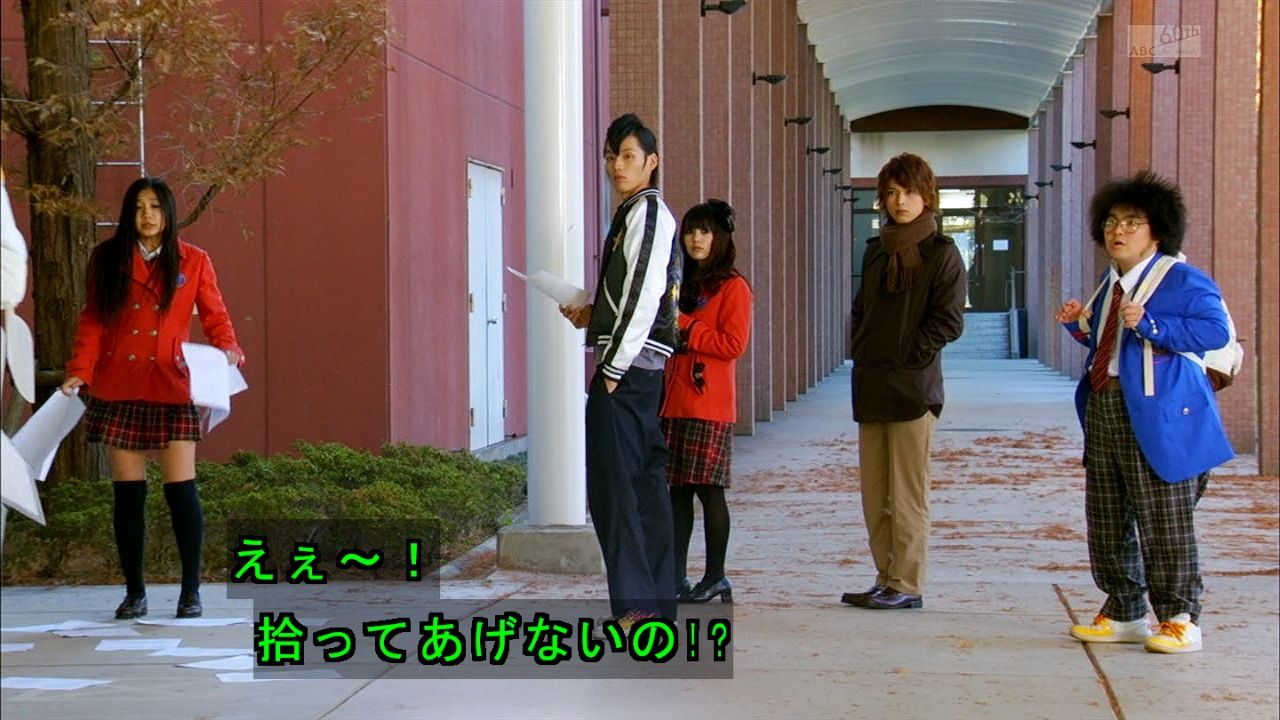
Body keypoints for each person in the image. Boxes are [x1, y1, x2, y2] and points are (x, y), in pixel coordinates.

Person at [1055, 171, 1233, 654]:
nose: (1119, 230)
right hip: (1104, 404)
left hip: (1159, 413)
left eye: (1132, 222)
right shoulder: (1110, 282)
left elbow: (1215, 331)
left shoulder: (1181, 279)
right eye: (1112, 221)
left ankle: (1180, 618)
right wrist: (1078, 328)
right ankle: (1124, 610)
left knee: (1164, 519)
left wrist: (1154, 324)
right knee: (1107, 515)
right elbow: (1112, 347)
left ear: (1157, 231)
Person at [61, 177, 244, 620]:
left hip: (170, 382)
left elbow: (215, 313)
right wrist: (80, 370)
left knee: (182, 489)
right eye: (140, 207)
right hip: (119, 383)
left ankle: (190, 591)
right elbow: (93, 319)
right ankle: (135, 592)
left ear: (168, 213)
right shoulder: (107, 258)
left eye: (156, 207)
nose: (147, 216)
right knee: (129, 494)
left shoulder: (193, 259)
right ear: (129, 213)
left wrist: (228, 346)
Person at [559, 113, 682, 626]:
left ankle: (636, 606)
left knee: (618, 491)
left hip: (627, 371)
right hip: (634, 366)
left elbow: (644, 294)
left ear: (651, 162)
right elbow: (631, 294)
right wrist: (592, 316)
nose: (617, 166)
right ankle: (654, 606)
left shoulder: (647, 213)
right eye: (612, 156)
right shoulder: (634, 212)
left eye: (628, 156)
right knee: (641, 488)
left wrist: (611, 368)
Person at [841, 153, 965, 610]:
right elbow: (861, 310)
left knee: (908, 494)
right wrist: (862, 347)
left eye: (909, 191)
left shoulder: (942, 253)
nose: (900, 201)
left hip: (913, 388)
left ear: (926, 196)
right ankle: (885, 577)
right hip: (872, 383)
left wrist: (909, 356)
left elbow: (949, 321)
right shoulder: (876, 250)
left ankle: (907, 584)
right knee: (875, 495)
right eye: (891, 193)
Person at [659, 200, 752, 605]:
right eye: (691, 231)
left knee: (709, 491)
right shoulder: (680, 285)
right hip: (674, 400)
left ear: (721, 238)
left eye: (705, 231)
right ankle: (675, 576)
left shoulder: (733, 287)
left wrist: (687, 328)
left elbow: (733, 345)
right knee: (677, 492)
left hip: (708, 403)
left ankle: (716, 576)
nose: (696, 239)